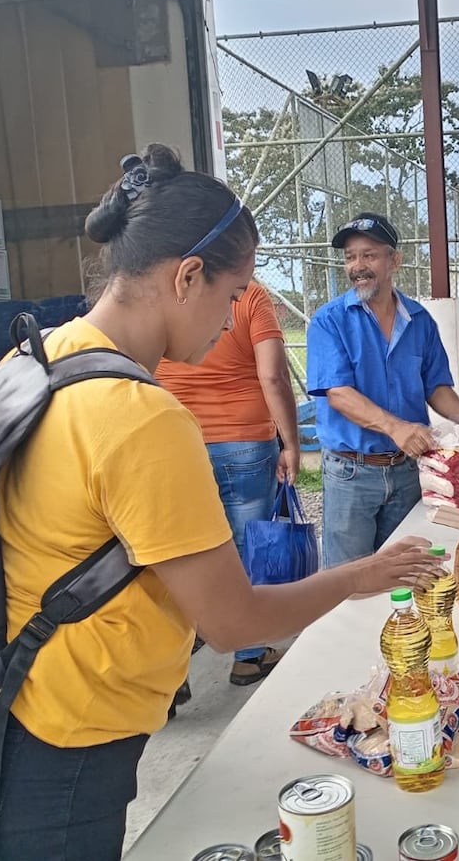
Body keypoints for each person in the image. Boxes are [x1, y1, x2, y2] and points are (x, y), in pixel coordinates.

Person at [0, 146, 441, 861]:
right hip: (56, 739)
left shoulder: (40, 355)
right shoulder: (142, 414)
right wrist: (364, 574)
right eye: (234, 294)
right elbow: (233, 621)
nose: (234, 315)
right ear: (188, 275)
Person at [307, 211, 459, 569]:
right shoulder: (330, 321)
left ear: (395, 261)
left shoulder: (419, 320)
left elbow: (436, 386)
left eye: (369, 255)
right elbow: (338, 393)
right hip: (351, 472)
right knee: (348, 580)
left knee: (406, 569)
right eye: (350, 257)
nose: (358, 265)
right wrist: (396, 427)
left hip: (407, 469)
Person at [156, 281, 301, 687]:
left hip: (179, 442)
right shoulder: (249, 295)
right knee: (248, 547)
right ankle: (249, 656)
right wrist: (290, 442)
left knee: (180, 552)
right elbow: (272, 376)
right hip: (245, 444)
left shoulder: (168, 294)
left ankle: (172, 671)